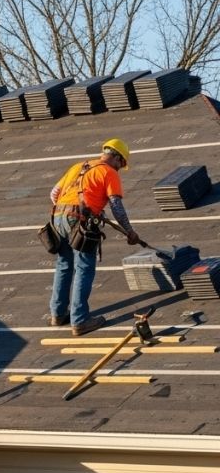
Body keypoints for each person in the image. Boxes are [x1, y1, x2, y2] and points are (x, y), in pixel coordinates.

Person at [48, 138, 142, 336]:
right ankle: (80, 320)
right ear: (116, 156)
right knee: (84, 267)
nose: (120, 168)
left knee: (64, 264)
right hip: (78, 221)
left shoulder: (78, 166)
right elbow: (116, 206)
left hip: (58, 218)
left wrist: (86, 208)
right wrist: (129, 231)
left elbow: (54, 193)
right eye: (121, 163)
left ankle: (57, 314)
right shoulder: (108, 172)